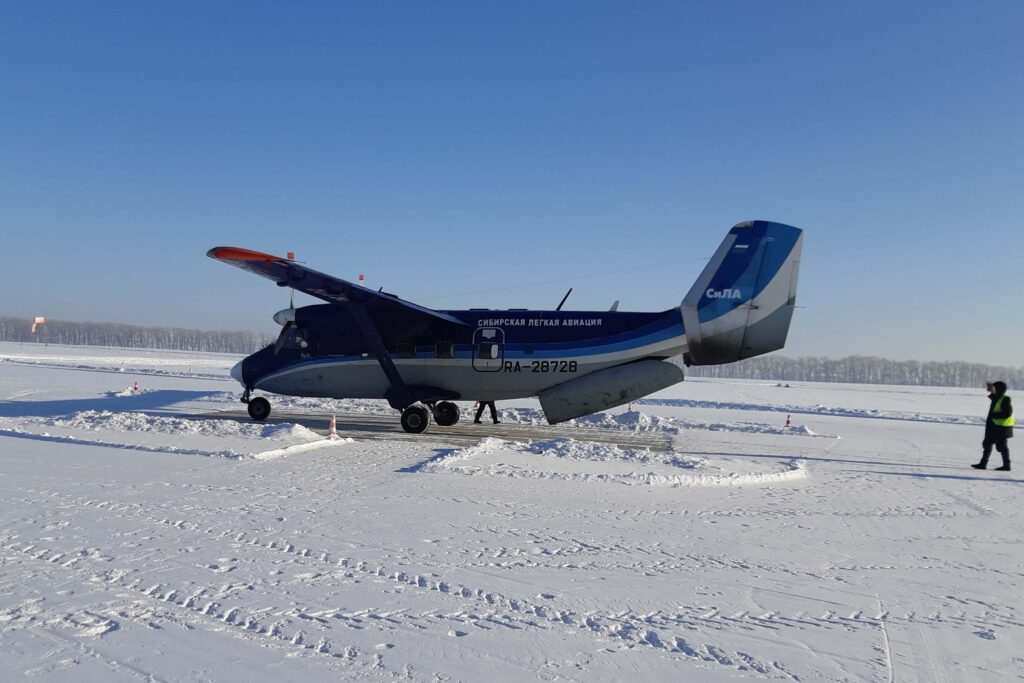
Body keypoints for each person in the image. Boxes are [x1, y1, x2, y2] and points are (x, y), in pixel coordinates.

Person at [972, 381, 1013, 471]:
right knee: (987, 444)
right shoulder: (996, 398)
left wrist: (995, 416)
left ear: (999, 390)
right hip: (993, 426)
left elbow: (1008, 413)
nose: (992, 390)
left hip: (1001, 427)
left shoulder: (1005, 399)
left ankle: (1007, 466)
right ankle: (983, 464)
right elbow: (993, 395)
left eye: (994, 388)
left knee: (1002, 447)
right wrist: (991, 388)